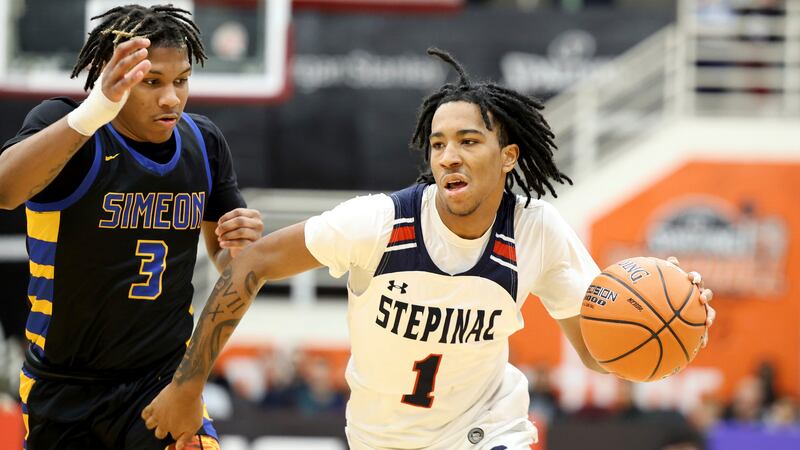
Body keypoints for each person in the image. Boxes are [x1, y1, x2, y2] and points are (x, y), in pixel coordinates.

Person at [141, 48, 716, 450]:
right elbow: (256, 265)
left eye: (469, 141)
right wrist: (187, 384)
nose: (449, 156)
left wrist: (674, 328)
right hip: (379, 438)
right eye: (439, 144)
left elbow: (597, 351)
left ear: (508, 157)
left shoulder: (537, 231)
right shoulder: (377, 221)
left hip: (489, 432)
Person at [0, 4, 263, 449]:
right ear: (114, 77)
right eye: (152, 82)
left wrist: (236, 245)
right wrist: (93, 111)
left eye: (181, 81)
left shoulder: (204, 142)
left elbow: (225, 259)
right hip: (65, 384)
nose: (171, 99)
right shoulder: (65, 127)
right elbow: (6, 190)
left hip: (159, 380)